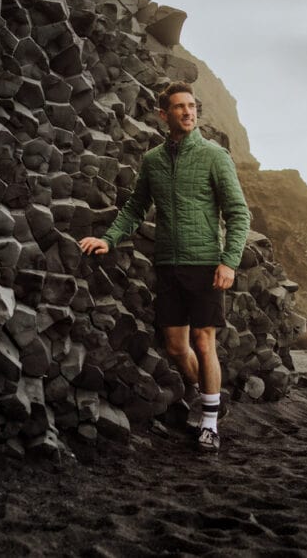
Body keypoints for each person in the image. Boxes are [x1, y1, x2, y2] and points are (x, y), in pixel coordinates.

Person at [79, 81, 250, 452]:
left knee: (205, 343)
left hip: (206, 264)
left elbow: (238, 213)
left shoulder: (214, 156)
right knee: (175, 347)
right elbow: (135, 208)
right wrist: (108, 239)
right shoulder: (153, 160)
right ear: (163, 114)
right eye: (179, 107)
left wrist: (228, 262)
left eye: (192, 106)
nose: (188, 112)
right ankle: (208, 396)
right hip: (168, 264)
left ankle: (208, 421)